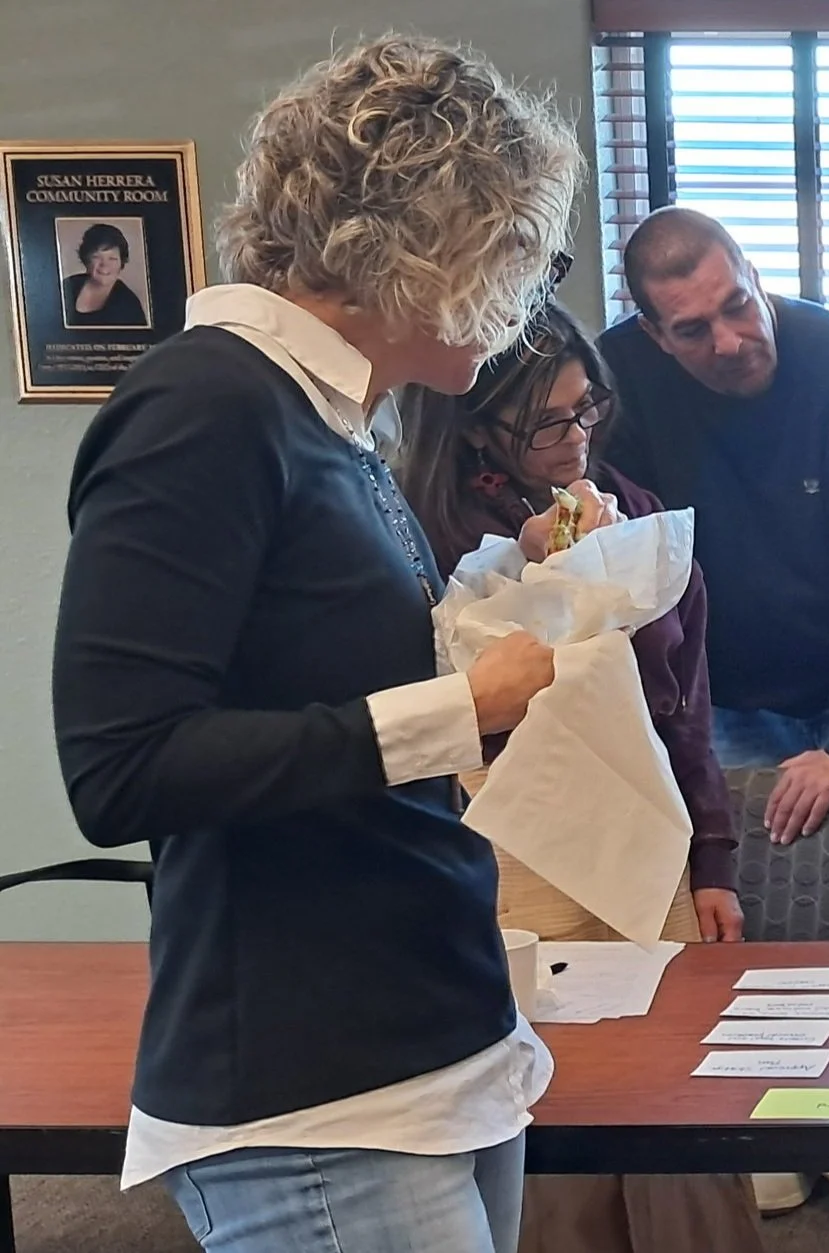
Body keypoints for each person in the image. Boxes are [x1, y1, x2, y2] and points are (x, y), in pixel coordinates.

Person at [50, 35, 579, 1253]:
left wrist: (513, 609)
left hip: (428, 1035)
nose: (520, 299)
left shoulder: (328, 419)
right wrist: (459, 712)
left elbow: (322, 677)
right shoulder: (205, 407)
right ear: (423, 244)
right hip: (320, 1090)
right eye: (513, 252)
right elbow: (123, 765)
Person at [596, 205, 829, 1227]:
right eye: (694, 329)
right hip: (719, 692)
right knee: (754, 922)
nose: (729, 340)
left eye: (738, 307)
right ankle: (775, 1129)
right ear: (653, 331)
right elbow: (623, 559)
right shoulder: (616, 379)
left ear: (757, 277)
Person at [395, 302, 764, 1253]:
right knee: (556, 1098)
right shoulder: (427, 527)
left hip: (644, 826)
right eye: (547, 421)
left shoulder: (629, 507)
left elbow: (683, 700)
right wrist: (535, 577)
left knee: (675, 1083)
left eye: (586, 406)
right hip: (512, 846)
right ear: (476, 422)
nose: (576, 436)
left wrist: (713, 858)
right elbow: (435, 714)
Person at [62, 221, 149, 328]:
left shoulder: (130, 305)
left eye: (112, 258)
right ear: (86, 260)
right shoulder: (66, 286)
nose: (104, 265)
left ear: (121, 263)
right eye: (96, 257)